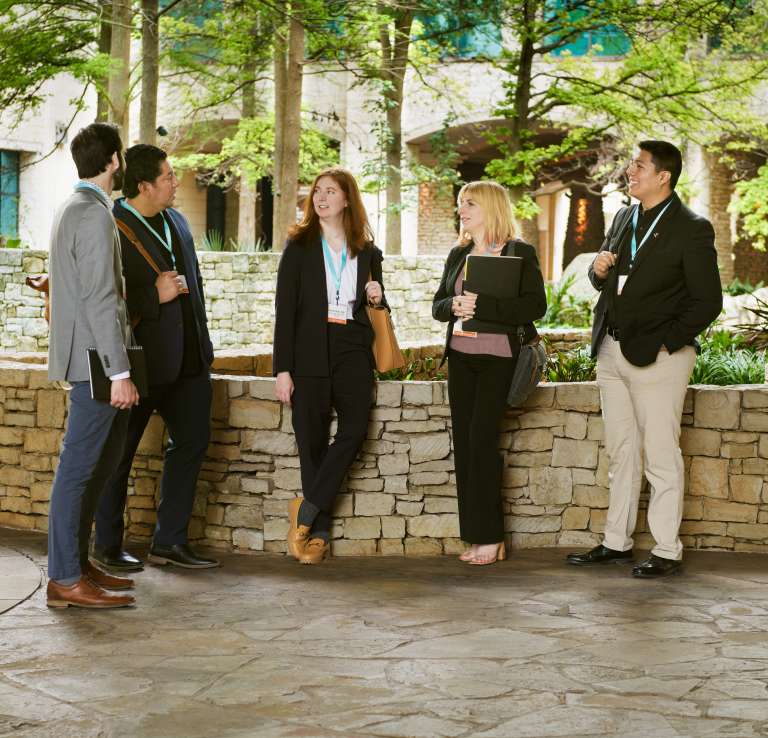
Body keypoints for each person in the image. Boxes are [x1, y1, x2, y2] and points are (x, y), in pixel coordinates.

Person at [567, 140, 722, 578]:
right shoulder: (622, 217)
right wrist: (597, 270)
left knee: (659, 454)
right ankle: (616, 542)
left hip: (658, 357)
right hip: (611, 350)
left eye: (638, 165)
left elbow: (708, 301)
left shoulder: (692, 227)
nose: (630, 171)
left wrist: (667, 342)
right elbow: (608, 280)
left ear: (663, 176)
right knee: (621, 452)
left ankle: (667, 549)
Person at [92, 144, 218, 571]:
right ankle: (106, 545)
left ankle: (169, 541)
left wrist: (205, 348)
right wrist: (153, 295)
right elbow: (100, 300)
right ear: (144, 185)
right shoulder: (109, 226)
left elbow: (194, 286)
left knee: (192, 443)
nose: (175, 182)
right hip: (139, 364)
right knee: (117, 456)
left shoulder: (178, 220)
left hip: (189, 363)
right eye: (168, 177)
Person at [46, 122, 140, 609]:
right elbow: (101, 298)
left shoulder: (77, 208)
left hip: (91, 358)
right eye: (120, 157)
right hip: (95, 363)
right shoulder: (92, 214)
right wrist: (119, 372)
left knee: (98, 465)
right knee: (79, 471)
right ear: (113, 161)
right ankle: (63, 576)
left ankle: (77, 566)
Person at [273, 167, 386, 565]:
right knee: (312, 442)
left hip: (352, 348)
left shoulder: (367, 251)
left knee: (354, 431)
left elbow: (378, 309)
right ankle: (317, 535)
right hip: (307, 351)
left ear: (346, 200)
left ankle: (305, 510)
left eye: (330, 192)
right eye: (317, 191)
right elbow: (284, 311)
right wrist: (282, 369)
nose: (320, 198)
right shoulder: (300, 245)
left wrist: (376, 296)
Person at [432, 181, 547, 565]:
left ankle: (492, 537)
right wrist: (455, 304)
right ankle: (476, 536)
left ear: (491, 208)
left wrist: (482, 306)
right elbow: (438, 306)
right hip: (461, 358)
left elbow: (535, 306)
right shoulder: (458, 253)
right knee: (464, 446)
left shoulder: (520, 252)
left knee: (481, 441)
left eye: (470, 203)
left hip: (498, 358)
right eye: (461, 203)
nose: (462, 209)